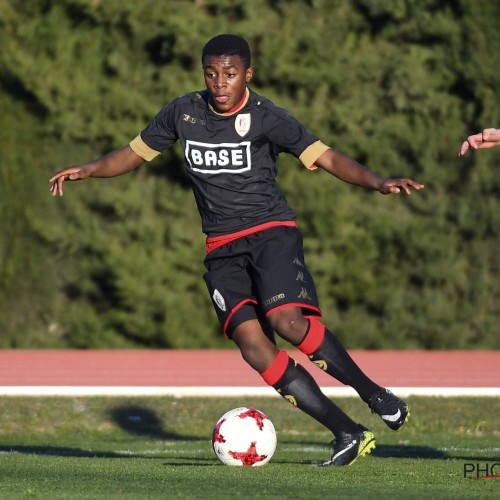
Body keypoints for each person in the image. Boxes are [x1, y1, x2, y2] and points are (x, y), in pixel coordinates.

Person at [50, 34, 424, 466]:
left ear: (248, 74)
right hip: (221, 248)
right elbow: (133, 153)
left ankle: (373, 393)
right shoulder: (183, 112)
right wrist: (90, 170)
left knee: (287, 321)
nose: (219, 83)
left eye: (229, 74)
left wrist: (377, 181)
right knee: (252, 346)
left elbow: (327, 158)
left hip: (271, 233)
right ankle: (347, 432)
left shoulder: (268, 117)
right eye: (211, 73)